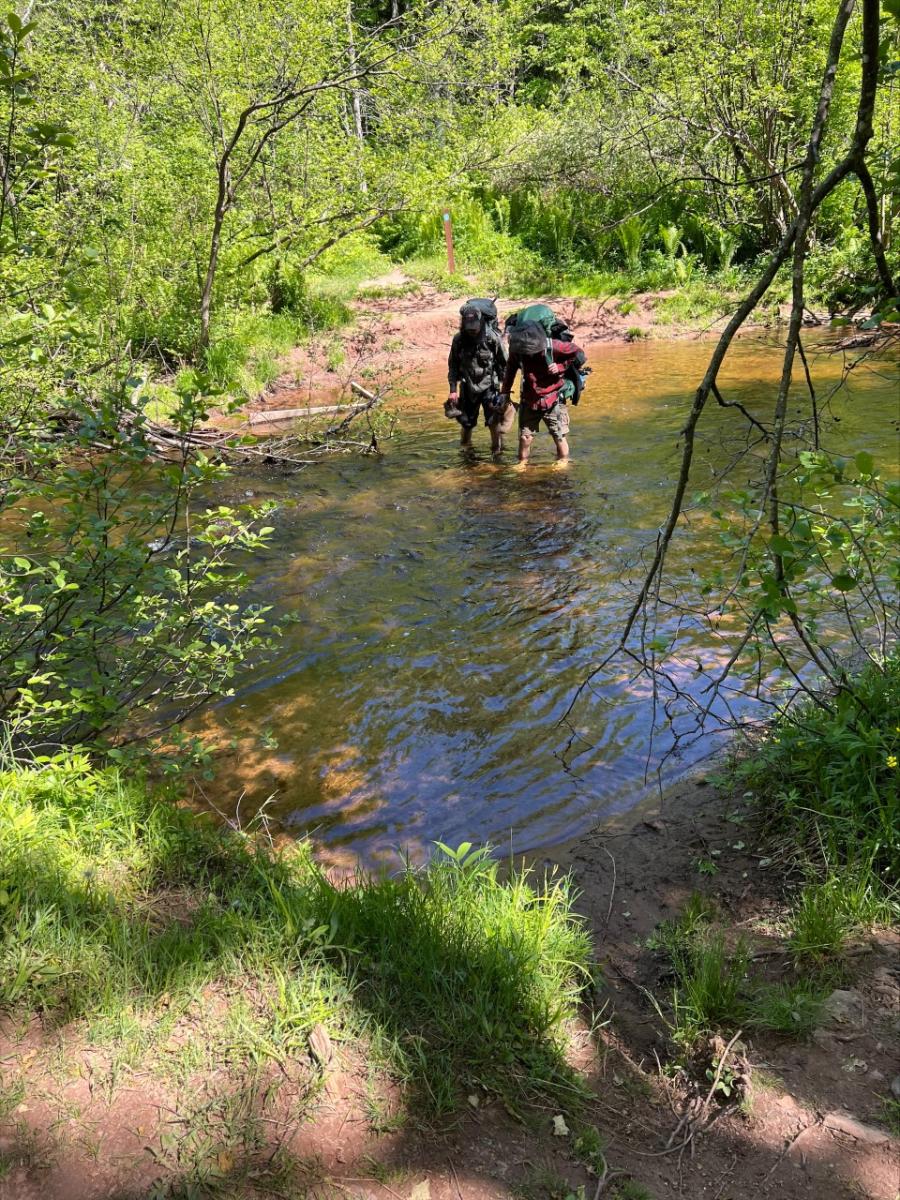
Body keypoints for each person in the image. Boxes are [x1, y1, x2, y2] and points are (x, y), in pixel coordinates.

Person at [498, 320, 585, 464]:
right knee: (525, 437)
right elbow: (510, 370)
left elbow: (577, 352)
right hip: (529, 399)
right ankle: (522, 463)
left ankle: (563, 461)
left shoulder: (553, 346)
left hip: (552, 398)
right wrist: (504, 392)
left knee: (559, 436)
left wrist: (560, 366)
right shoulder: (517, 350)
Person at [445, 301, 513, 453]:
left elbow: (505, 365)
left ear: (481, 322)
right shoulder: (459, 340)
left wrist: (504, 391)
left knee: (492, 422)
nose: (473, 332)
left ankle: (497, 451)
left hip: (490, 386)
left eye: (475, 329)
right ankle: (465, 450)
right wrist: (453, 390)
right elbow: (453, 366)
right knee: (466, 423)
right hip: (468, 387)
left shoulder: (492, 339)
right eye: (469, 329)